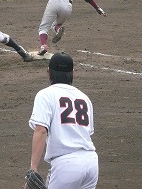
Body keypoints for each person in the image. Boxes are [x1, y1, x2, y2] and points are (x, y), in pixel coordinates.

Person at [25, 52, 98, 189]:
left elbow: (41, 131)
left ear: (48, 72)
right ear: (73, 73)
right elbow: (88, 132)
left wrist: (33, 168)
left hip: (66, 164)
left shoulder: (45, 95)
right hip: (91, 162)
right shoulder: (85, 98)